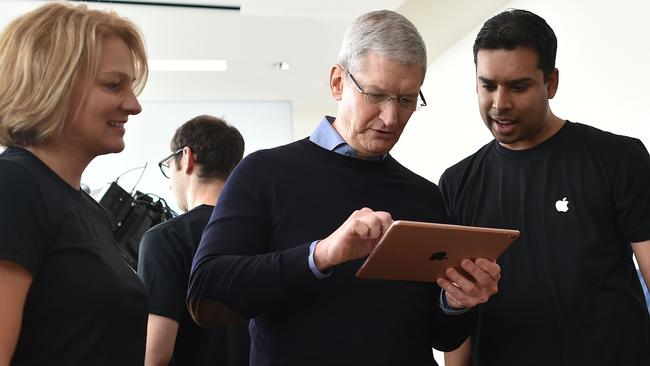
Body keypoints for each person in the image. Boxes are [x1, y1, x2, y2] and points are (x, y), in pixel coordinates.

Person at [187, 10, 502, 366]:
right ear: (338, 82)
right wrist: (320, 255)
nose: (391, 118)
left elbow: (441, 336)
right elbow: (206, 296)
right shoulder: (264, 174)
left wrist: (457, 302)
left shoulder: (425, 196)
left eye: (406, 100)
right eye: (376, 95)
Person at [440, 9, 650, 366]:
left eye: (518, 86)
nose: (499, 103)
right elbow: (458, 307)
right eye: (487, 85)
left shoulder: (619, 158)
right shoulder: (457, 183)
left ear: (551, 83)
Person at [0, 2, 149, 365]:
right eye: (114, 85)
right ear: (51, 85)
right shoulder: (13, 186)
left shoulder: (89, 212)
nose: (133, 105)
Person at [137, 115, 250, 366]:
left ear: (186, 157)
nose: (169, 185)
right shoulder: (262, 234)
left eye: (168, 166)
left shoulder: (165, 239)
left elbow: (154, 357)